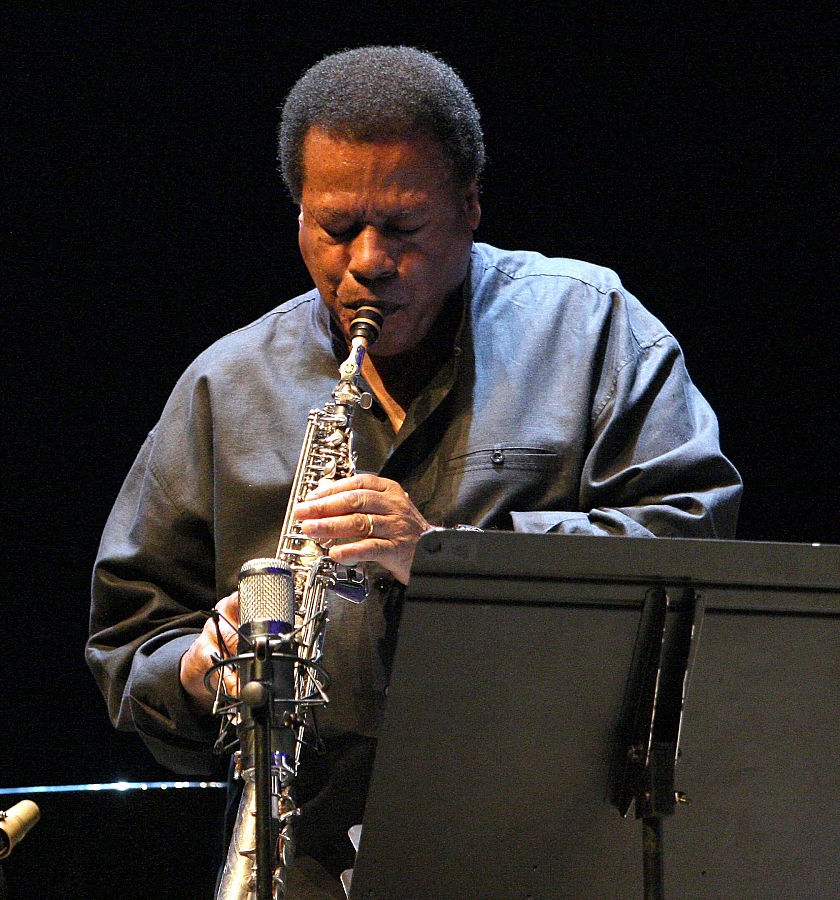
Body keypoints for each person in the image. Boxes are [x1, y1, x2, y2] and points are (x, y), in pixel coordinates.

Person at [86, 45, 741, 897]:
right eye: (333, 227)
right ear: (297, 219)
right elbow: (129, 640)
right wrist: (201, 667)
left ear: (469, 207)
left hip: (549, 848)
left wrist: (443, 556)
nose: (364, 262)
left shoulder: (590, 328)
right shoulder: (225, 386)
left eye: (401, 228)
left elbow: (688, 532)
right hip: (309, 861)